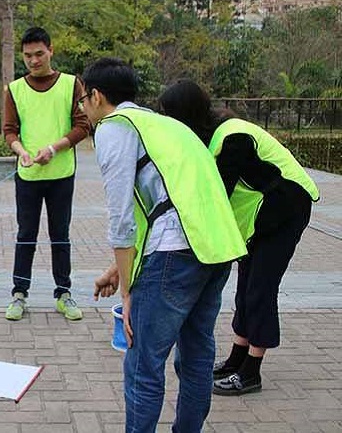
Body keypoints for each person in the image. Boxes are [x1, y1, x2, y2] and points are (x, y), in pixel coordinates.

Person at [85, 58, 247, 432]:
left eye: (83, 100)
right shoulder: (165, 125)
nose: (83, 109)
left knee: (143, 363)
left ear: (96, 96)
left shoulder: (114, 126)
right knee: (196, 355)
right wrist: (118, 270)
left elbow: (122, 218)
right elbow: (165, 204)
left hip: (175, 253)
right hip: (215, 248)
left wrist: (127, 292)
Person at [158, 79, 320, 396]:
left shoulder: (233, 139)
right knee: (245, 287)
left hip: (286, 211)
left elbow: (216, 197)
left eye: (169, 116)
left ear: (185, 115)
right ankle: (236, 359)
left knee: (260, 289)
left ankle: (251, 373)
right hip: (263, 218)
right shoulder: (212, 138)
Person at [3, 27, 90, 321]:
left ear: (51, 51)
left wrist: (54, 149)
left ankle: (63, 293)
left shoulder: (71, 84)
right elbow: (9, 130)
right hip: (28, 176)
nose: (34, 60)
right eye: (28, 55)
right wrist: (21, 151)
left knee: (60, 235)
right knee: (25, 235)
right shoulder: (15, 89)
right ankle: (19, 294)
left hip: (61, 175)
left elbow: (82, 126)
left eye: (39, 54)